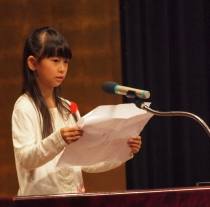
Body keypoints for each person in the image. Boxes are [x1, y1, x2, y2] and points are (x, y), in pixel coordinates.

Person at [11, 27, 142, 196]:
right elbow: (26, 159)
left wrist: (124, 148)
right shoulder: (25, 106)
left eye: (65, 62)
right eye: (55, 60)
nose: (62, 68)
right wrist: (59, 139)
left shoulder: (67, 107)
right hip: (40, 204)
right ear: (33, 63)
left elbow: (87, 162)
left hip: (74, 201)